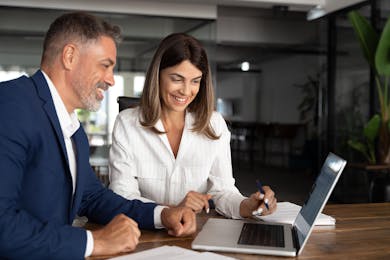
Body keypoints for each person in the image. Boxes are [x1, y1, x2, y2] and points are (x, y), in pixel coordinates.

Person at [0, 13, 196, 260]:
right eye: (105, 65)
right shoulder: (10, 104)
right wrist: (93, 242)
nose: (111, 80)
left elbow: (92, 198)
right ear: (70, 56)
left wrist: (162, 214)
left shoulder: (72, 128)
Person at [109, 33, 277, 220]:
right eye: (177, 79)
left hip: (192, 235)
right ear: (157, 75)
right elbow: (121, 195)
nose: (186, 91)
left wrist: (247, 205)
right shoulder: (127, 123)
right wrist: (170, 211)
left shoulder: (214, 124)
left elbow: (223, 192)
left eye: (195, 81)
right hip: (141, 233)